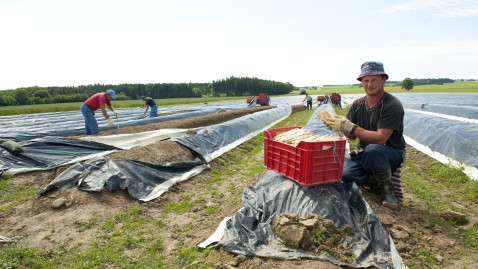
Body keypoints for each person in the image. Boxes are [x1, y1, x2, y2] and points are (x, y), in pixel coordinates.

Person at [322, 61, 406, 209]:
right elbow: (353, 136)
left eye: (374, 80)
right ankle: (374, 180)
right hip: (365, 153)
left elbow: (382, 138)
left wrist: (352, 128)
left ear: (383, 80)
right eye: (366, 80)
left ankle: (388, 192)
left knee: (374, 150)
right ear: (362, 82)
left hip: (391, 152)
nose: (369, 84)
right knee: (345, 176)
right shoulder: (358, 104)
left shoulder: (392, 104)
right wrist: (341, 129)